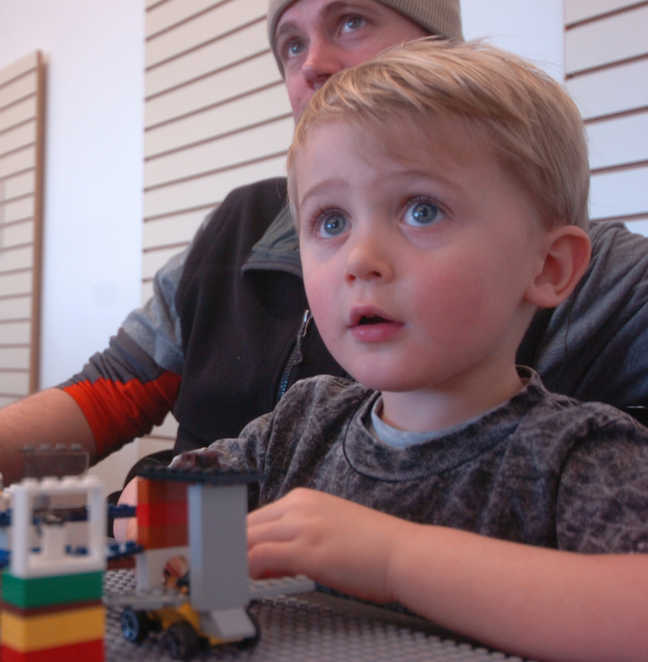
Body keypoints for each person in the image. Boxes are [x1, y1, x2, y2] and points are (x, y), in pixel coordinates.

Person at [0, 0, 648, 499]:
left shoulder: (599, 278)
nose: (314, 62)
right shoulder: (240, 224)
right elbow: (111, 393)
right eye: (290, 43)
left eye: (350, 19)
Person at [157, 39, 646, 662]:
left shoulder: (581, 455)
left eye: (422, 210)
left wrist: (395, 558)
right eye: (331, 222)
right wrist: (145, 516)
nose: (361, 259)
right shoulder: (300, 425)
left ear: (548, 266)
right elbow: (180, 496)